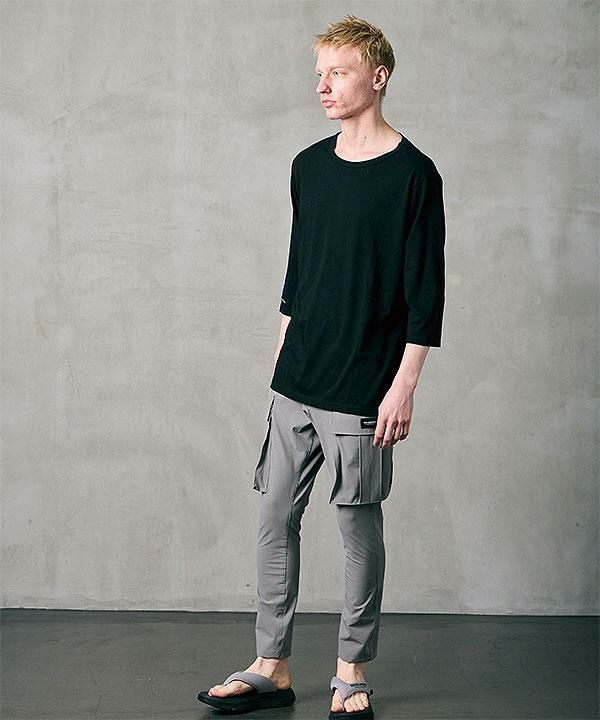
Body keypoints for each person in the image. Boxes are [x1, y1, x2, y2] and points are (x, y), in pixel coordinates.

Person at [197, 14, 446, 720]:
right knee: (274, 517)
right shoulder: (307, 166)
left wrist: (403, 386)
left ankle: (350, 671)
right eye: (319, 74)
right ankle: (270, 666)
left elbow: (425, 295)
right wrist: (282, 356)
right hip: (297, 379)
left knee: (357, 530)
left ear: (379, 77)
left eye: (338, 72)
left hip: (364, 386)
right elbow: (299, 273)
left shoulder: (414, 176)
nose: (324, 86)